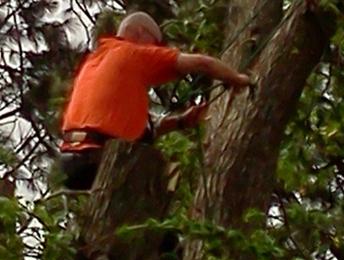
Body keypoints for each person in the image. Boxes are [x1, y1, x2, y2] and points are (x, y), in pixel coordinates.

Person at [59, 11, 251, 190]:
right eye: (155, 44)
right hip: (101, 159)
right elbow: (202, 63)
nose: (155, 49)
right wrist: (238, 79)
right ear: (141, 32)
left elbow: (131, 130)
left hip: (69, 163)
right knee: (168, 179)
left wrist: (180, 122)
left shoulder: (93, 61)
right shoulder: (134, 53)